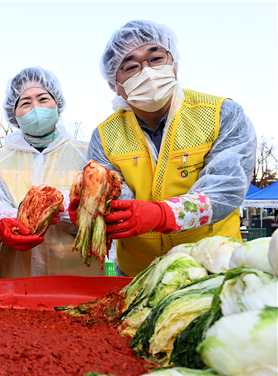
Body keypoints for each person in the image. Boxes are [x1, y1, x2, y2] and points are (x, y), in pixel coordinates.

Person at [74, 20, 256, 277]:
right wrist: (94, 211)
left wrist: (162, 214)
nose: (146, 71)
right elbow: (111, 197)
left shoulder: (221, 114)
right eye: (131, 66)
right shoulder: (105, 136)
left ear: (174, 64)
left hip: (213, 266)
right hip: (139, 275)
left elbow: (225, 191)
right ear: (114, 85)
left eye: (156, 58)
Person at [0, 67, 102, 278]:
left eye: (43, 99)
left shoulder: (85, 152)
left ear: (57, 104)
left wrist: (62, 211)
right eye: (25, 103)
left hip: (76, 272)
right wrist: (4, 221)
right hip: (16, 273)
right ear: (14, 114)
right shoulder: (0, 158)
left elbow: (99, 208)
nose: (36, 108)